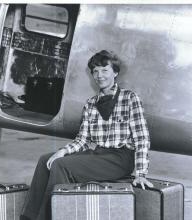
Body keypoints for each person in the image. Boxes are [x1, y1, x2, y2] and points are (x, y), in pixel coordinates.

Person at [20, 50, 153, 220]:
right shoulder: (91, 103)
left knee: (61, 166)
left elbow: (142, 138)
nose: (99, 75)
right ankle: (29, 217)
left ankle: (53, 217)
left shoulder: (130, 98)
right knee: (46, 160)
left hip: (120, 159)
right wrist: (63, 151)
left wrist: (141, 173)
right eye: (95, 71)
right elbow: (82, 139)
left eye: (104, 70)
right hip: (98, 154)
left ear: (115, 72)